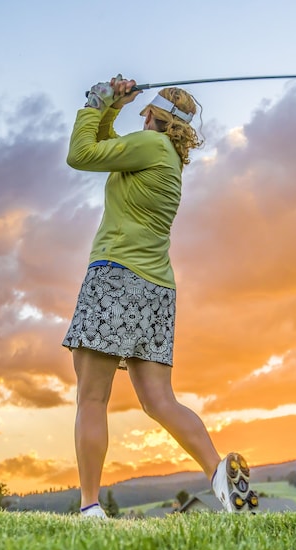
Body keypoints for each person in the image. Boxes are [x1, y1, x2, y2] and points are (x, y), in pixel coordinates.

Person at [62, 75, 258, 519]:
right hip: (156, 289)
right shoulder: (164, 155)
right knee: (159, 401)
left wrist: (96, 101)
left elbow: (81, 154)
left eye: (144, 110)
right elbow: (107, 146)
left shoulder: (149, 146)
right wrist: (112, 108)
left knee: (91, 398)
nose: (142, 115)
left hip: (115, 276)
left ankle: (90, 507)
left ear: (153, 114)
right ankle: (217, 473)